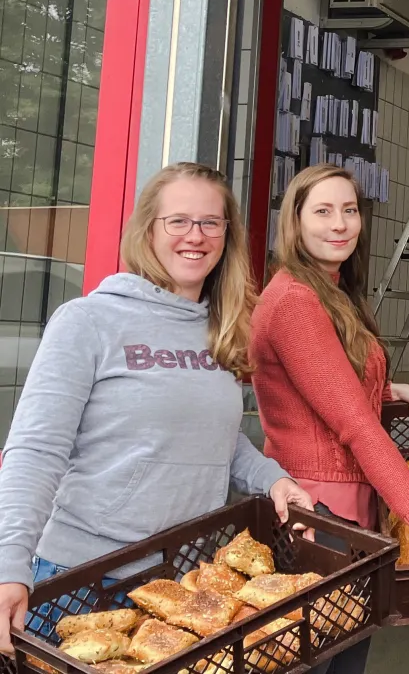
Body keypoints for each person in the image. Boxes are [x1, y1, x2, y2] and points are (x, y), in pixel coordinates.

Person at [0, 162, 312, 654]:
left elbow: (216, 437)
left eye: (210, 222)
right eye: (178, 220)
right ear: (148, 230)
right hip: (83, 581)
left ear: (227, 236)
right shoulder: (89, 321)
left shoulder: (220, 328)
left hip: (182, 583)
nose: (196, 235)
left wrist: (274, 480)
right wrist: (9, 566)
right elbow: (36, 451)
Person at [249, 164, 409, 673]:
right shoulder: (295, 301)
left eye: (349, 210)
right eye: (323, 211)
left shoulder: (328, 290)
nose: (340, 224)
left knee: (343, 660)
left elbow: (321, 385)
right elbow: (353, 424)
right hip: (316, 516)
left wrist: (386, 390)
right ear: (295, 222)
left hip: (344, 513)